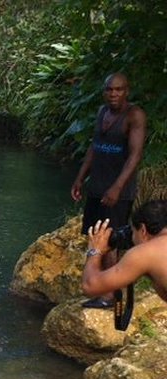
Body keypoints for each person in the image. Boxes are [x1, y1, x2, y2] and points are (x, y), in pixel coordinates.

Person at [80, 200, 167, 379]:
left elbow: (92, 285)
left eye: (132, 232)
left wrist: (95, 250)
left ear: (143, 229)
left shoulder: (147, 251)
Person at [71, 72, 147, 309]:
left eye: (119, 89)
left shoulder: (134, 115)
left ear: (127, 91)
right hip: (97, 187)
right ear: (104, 91)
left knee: (112, 241)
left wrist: (117, 187)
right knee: (97, 236)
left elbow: (135, 156)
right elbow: (94, 148)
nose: (114, 94)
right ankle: (103, 289)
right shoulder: (102, 113)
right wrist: (80, 178)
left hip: (118, 192)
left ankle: (110, 295)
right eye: (109, 90)